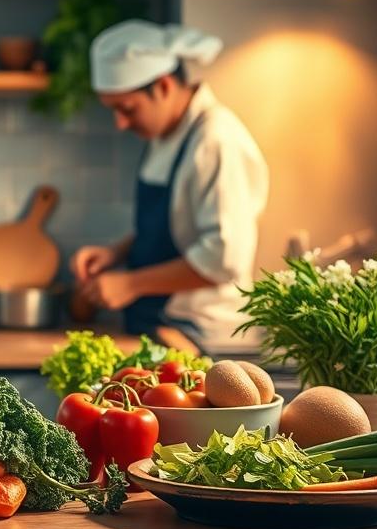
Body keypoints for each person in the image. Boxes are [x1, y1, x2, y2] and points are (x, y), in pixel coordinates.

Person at [71, 20, 269, 351]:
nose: (120, 124)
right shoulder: (168, 134)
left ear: (163, 86)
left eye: (127, 109)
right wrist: (116, 253)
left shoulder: (215, 141)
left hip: (203, 335)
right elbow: (177, 226)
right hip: (161, 326)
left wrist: (131, 284)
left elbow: (223, 258)